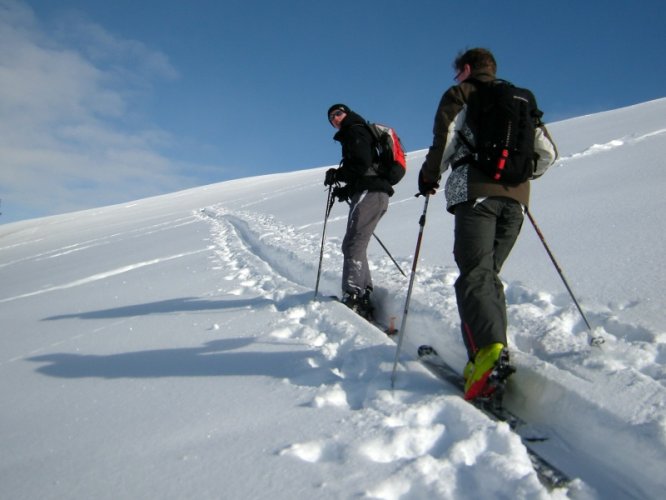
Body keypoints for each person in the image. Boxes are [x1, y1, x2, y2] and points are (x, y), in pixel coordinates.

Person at [418, 48, 558, 401]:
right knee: (487, 274)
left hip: (475, 192)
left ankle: (488, 355)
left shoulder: (461, 94)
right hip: (517, 199)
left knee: (475, 274)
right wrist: (517, 181)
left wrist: (428, 177)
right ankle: (491, 351)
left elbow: (445, 139)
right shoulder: (521, 100)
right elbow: (548, 154)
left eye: (457, 73)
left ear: (466, 70)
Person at [324, 104, 393, 320]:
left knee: (352, 244)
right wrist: (347, 188)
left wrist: (338, 174)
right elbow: (365, 166)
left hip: (370, 192)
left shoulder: (354, 129)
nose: (335, 119)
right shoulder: (356, 131)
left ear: (347, 113)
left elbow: (361, 163)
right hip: (372, 192)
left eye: (338, 113)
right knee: (356, 244)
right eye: (331, 118)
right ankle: (363, 295)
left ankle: (354, 295)